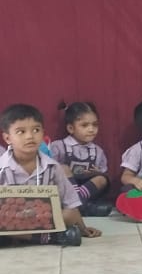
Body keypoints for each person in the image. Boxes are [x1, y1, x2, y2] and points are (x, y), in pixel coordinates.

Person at [0, 103, 101, 245]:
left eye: (36, 130)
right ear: (7, 138)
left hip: (42, 218)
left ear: (43, 133)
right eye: (21, 132)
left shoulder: (53, 167)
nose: (30, 136)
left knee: (70, 214)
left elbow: (70, 201)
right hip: (11, 219)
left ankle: (19, 238)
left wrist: (82, 228)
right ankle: (49, 238)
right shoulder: (2, 167)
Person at [48, 100, 113, 217]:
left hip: (87, 189)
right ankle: (83, 207)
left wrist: (96, 172)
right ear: (71, 128)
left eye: (95, 125)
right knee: (62, 168)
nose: (91, 129)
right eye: (84, 125)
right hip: (64, 189)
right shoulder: (58, 146)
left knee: (102, 179)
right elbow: (49, 170)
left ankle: (78, 205)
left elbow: (103, 171)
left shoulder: (97, 150)